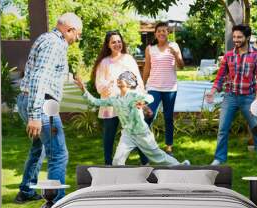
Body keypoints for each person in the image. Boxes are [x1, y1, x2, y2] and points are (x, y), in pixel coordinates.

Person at [15, 13, 82, 204]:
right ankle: (56, 202)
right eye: (78, 34)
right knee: (59, 154)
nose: (77, 39)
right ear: (69, 30)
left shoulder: (47, 39)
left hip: (28, 99)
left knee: (40, 147)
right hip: (42, 105)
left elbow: (46, 73)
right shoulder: (55, 44)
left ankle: (26, 191)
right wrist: (35, 115)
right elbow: (39, 78)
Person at [76, 71, 190, 166]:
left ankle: (181, 166)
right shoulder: (114, 99)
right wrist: (83, 90)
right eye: (120, 77)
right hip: (127, 134)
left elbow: (150, 97)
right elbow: (96, 102)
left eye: (124, 78)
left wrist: (143, 101)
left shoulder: (135, 95)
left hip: (142, 133)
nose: (120, 79)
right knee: (117, 161)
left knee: (158, 157)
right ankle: (123, 184)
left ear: (130, 84)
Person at [205, 24, 257, 168]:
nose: (236, 40)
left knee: (256, 128)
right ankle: (219, 158)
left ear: (247, 38)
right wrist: (212, 91)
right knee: (223, 129)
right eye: (234, 37)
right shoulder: (229, 55)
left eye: (239, 37)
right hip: (230, 96)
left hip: (248, 98)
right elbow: (220, 76)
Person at [91, 31, 148, 165]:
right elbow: (99, 85)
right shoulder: (104, 63)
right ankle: (108, 164)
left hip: (129, 104)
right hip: (111, 105)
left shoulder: (128, 59)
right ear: (108, 45)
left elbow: (138, 80)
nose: (117, 44)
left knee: (136, 133)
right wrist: (110, 84)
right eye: (113, 42)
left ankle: (145, 163)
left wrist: (141, 98)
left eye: (119, 41)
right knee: (109, 136)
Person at [143, 22, 184, 156]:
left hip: (170, 88)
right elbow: (147, 68)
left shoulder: (174, 46)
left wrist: (176, 55)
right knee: (148, 115)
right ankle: (147, 144)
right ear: (155, 33)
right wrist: (142, 86)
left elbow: (182, 66)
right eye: (159, 31)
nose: (161, 33)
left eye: (164, 31)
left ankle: (169, 147)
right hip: (153, 87)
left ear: (168, 33)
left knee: (168, 117)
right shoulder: (150, 48)